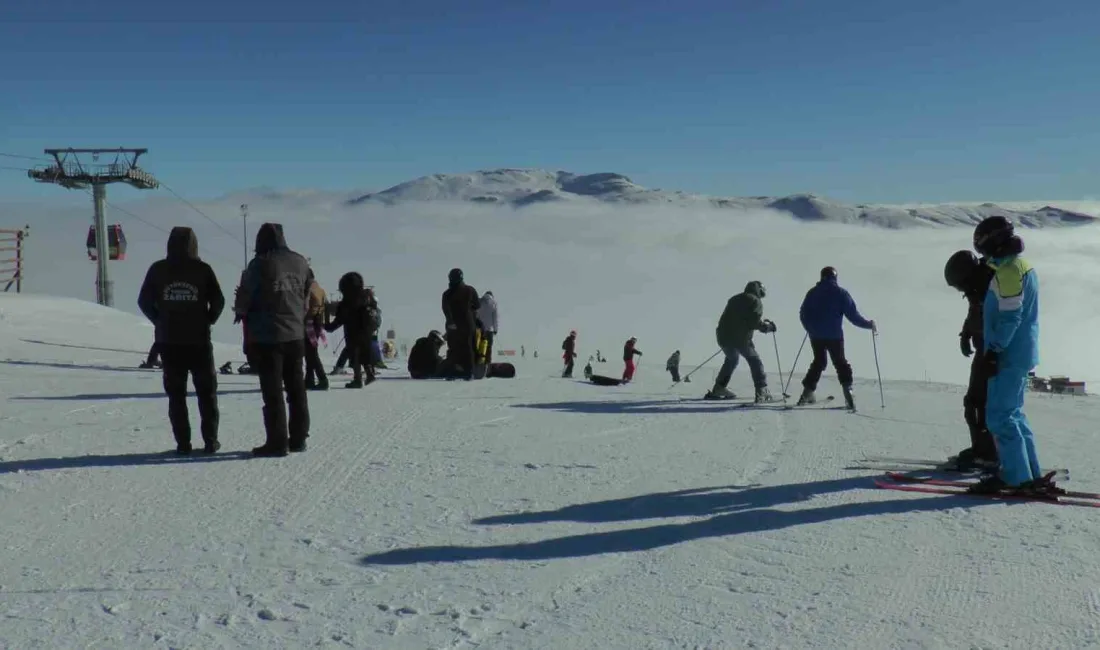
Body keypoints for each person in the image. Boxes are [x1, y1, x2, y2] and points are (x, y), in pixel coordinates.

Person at [967, 216, 1050, 496]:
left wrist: (994, 352)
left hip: (1010, 353)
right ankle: (1028, 472)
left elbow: (1011, 316)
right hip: (1021, 350)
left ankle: (1014, 477)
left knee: (1000, 416)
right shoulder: (1019, 266)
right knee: (1012, 413)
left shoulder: (1009, 271)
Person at [137, 227, 225, 454]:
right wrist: (208, 319)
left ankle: (183, 444)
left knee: (176, 396)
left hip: (169, 342)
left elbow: (143, 301)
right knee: (207, 394)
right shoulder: (203, 270)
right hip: (199, 341)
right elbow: (219, 300)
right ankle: (210, 441)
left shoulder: (158, 269)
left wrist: (160, 320)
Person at [234, 223, 313, 457]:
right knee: (296, 387)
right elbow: (308, 292)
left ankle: (277, 442)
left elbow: (245, 297)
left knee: (273, 391)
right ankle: (298, 438)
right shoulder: (300, 261)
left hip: (268, 335)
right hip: (295, 334)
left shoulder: (260, 264)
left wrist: (240, 311)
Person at [944, 249, 999, 470]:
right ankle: (982, 448)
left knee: (979, 403)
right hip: (984, 350)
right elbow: (974, 312)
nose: (959, 290)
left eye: (958, 285)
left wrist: (993, 352)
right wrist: (966, 334)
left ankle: (987, 454)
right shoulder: (978, 286)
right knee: (975, 402)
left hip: (993, 352)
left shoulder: (990, 286)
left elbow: (1002, 319)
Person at [796, 266, 876, 410]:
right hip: (835, 336)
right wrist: (868, 325)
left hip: (816, 335)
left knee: (819, 362)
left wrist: (809, 327)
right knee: (840, 362)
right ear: (835, 277)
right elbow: (853, 316)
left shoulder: (812, 293)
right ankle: (848, 393)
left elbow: (803, 313)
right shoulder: (841, 293)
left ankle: (806, 393)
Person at [708, 281, 776, 402]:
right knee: (755, 361)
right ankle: (762, 390)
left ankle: (719, 387)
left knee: (731, 360)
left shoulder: (734, 299)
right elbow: (753, 322)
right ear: (759, 290)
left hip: (722, 336)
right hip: (740, 338)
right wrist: (768, 327)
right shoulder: (755, 301)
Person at [325, 272, 378, 388]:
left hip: (353, 333)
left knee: (355, 355)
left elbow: (336, 323)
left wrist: (326, 323)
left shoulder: (347, 303)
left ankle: (357, 379)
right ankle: (369, 374)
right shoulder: (368, 297)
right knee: (364, 352)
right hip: (367, 331)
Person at [441, 268, 480, 380]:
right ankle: (469, 372)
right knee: (469, 348)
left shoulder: (447, 294)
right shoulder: (470, 290)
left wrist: (450, 321)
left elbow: (445, 309)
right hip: (468, 324)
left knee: (453, 349)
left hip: (452, 326)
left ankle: (452, 372)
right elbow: (477, 305)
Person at [303, 273, 329, 391]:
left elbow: (305, 306)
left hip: (309, 322)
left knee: (311, 354)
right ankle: (309, 379)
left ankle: (322, 379)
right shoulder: (320, 289)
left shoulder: (307, 289)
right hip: (318, 321)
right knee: (310, 352)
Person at [477, 291, 499, 368]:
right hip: (489, 331)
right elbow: (495, 318)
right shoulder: (493, 303)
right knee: (488, 348)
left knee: (479, 347)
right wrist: (495, 329)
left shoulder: (479, 301)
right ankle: (487, 366)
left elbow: (476, 314)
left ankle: (478, 364)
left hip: (479, 330)